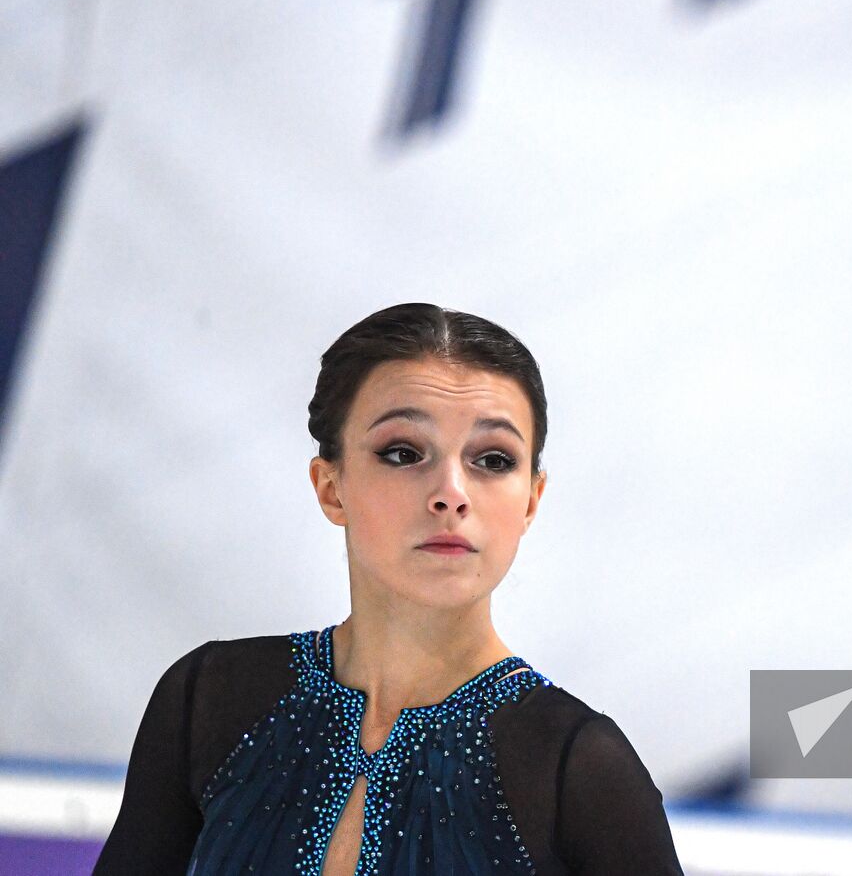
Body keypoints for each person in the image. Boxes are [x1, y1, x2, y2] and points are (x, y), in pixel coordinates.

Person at [94, 303, 685, 875]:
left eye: (493, 459)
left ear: (531, 500)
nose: (451, 493)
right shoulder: (208, 702)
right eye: (403, 453)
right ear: (331, 487)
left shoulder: (577, 768)